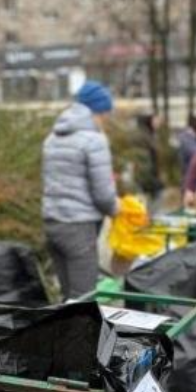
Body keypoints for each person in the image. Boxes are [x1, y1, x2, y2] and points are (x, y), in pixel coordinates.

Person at [41, 80, 119, 299]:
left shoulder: (52, 138)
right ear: (97, 111)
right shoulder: (94, 140)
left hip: (52, 224)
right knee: (84, 299)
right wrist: (116, 208)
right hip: (79, 228)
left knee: (67, 297)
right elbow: (103, 195)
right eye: (105, 114)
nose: (106, 119)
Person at [133, 112, 166, 209]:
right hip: (146, 177)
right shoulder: (143, 136)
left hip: (151, 175)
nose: (158, 123)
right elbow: (144, 160)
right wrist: (150, 179)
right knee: (149, 205)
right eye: (155, 120)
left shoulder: (151, 134)